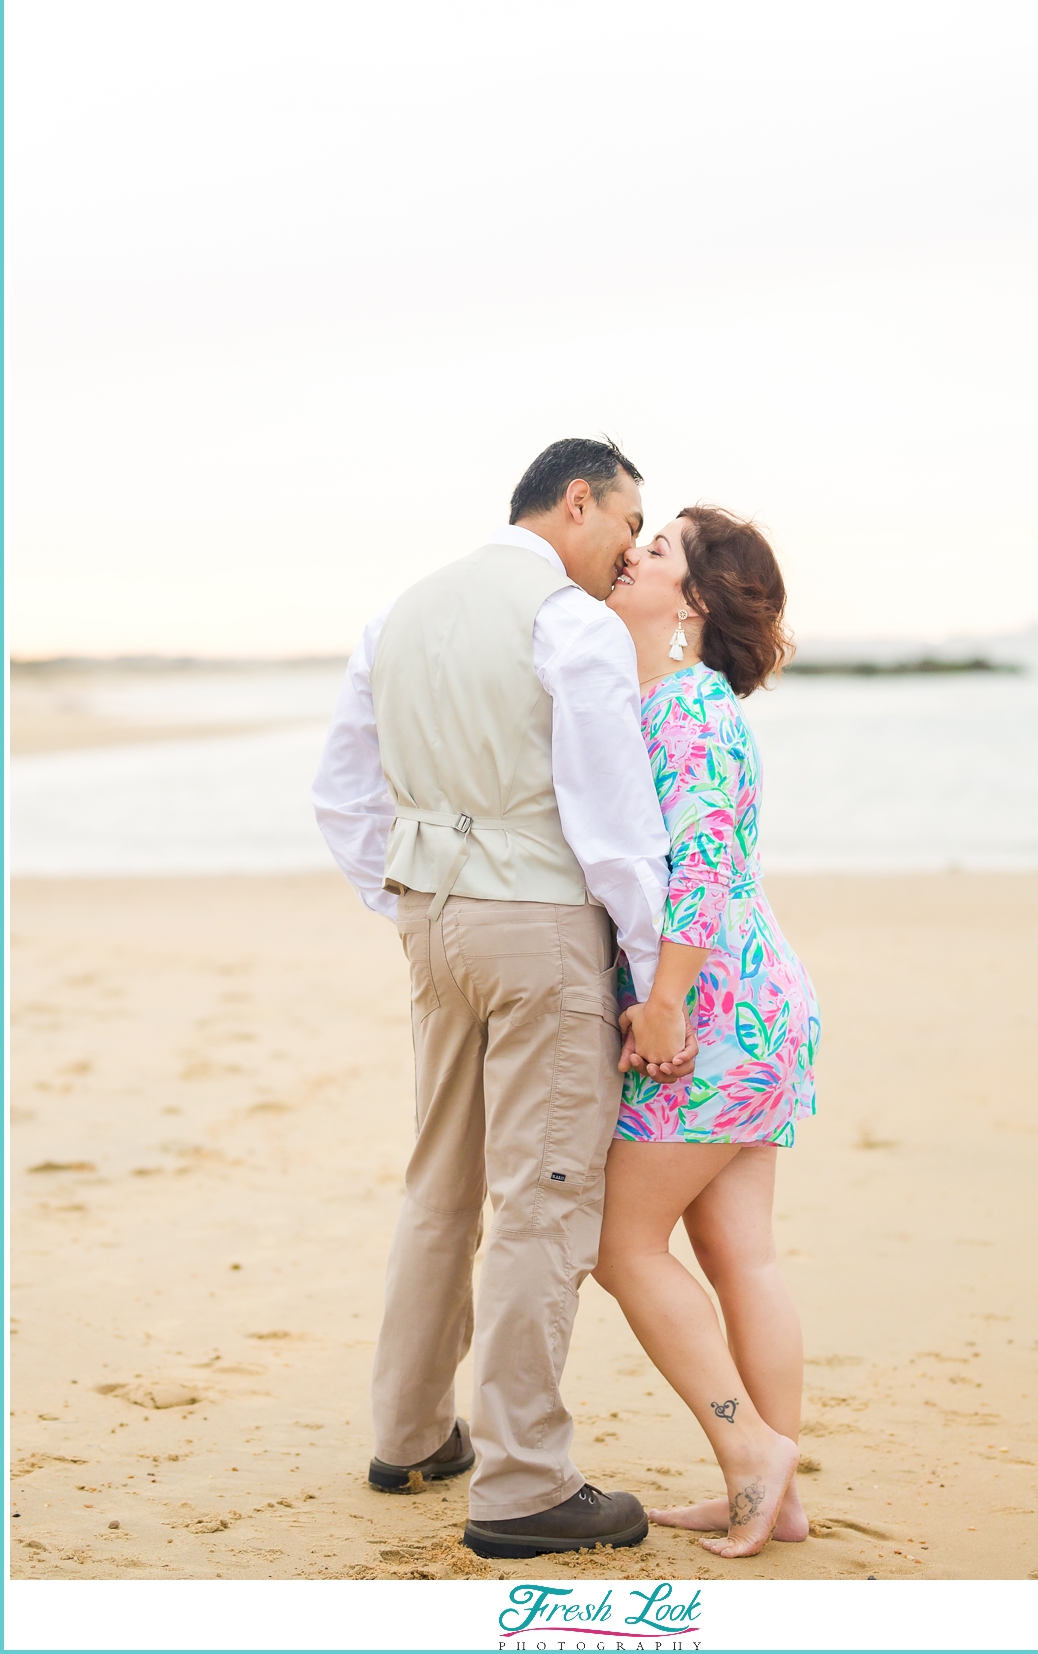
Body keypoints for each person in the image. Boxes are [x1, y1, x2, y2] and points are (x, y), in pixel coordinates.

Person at [311, 438, 695, 1559]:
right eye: (627, 526)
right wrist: (644, 969)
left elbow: (343, 793)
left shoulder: (401, 612)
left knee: (442, 1175)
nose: (628, 551)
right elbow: (616, 822)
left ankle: (414, 1433)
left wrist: (417, 900)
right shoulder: (567, 623)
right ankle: (523, 1478)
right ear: (580, 501)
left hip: (435, 921)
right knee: (545, 1191)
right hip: (536, 926)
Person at [594, 505, 822, 1558]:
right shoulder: (682, 700)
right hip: (761, 1006)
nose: (634, 551)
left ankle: (750, 1454)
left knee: (620, 1243)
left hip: (715, 1013)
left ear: (692, 598)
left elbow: (700, 867)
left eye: (659, 547)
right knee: (740, 1254)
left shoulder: (683, 709)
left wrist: (668, 1002)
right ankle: (776, 1494)